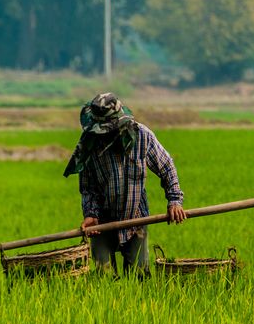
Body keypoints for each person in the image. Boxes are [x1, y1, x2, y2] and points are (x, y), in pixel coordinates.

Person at [63, 92, 186, 277]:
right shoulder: (90, 143)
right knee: (103, 278)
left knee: (139, 276)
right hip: (102, 222)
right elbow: (88, 187)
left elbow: (166, 167)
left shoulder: (142, 136)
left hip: (136, 218)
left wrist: (175, 201)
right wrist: (90, 214)